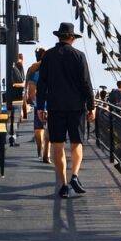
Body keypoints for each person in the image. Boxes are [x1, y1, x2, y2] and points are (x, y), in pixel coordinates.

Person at [36, 23, 95, 199]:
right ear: (72, 38)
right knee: (77, 143)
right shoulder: (79, 55)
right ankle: (74, 176)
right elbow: (86, 83)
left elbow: (42, 84)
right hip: (76, 107)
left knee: (57, 145)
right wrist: (91, 106)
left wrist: (40, 107)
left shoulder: (48, 56)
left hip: (55, 106)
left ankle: (63, 185)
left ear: (59, 37)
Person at [25, 47, 48, 162]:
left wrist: (31, 102)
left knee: (38, 128)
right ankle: (47, 153)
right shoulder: (52, 68)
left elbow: (30, 92)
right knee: (49, 129)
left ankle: (40, 150)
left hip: (38, 103)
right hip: (52, 102)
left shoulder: (32, 69)